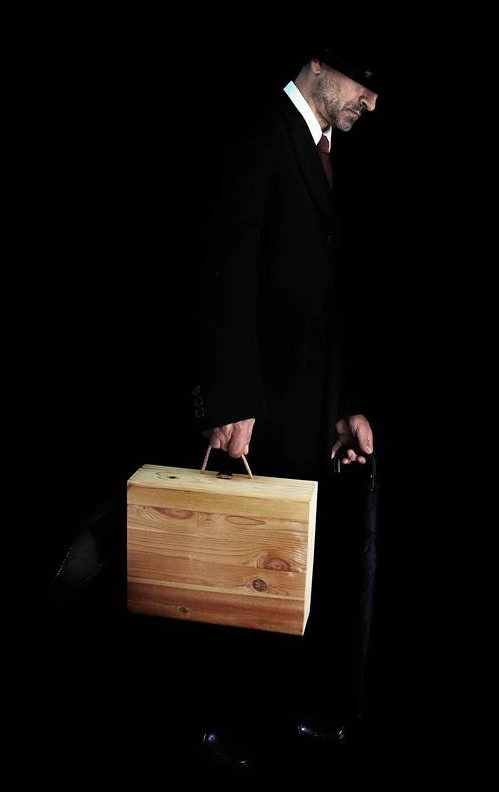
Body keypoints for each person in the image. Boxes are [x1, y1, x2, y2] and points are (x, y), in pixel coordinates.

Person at [193, 45, 380, 769]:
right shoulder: (257, 135)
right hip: (256, 414)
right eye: (365, 83)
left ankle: (274, 715)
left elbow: (326, 302)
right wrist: (229, 400)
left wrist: (344, 407)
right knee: (240, 572)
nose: (372, 102)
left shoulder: (326, 150)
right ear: (320, 64)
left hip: (309, 410)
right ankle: (226, 725)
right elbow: (224, 274)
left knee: (287, 573)